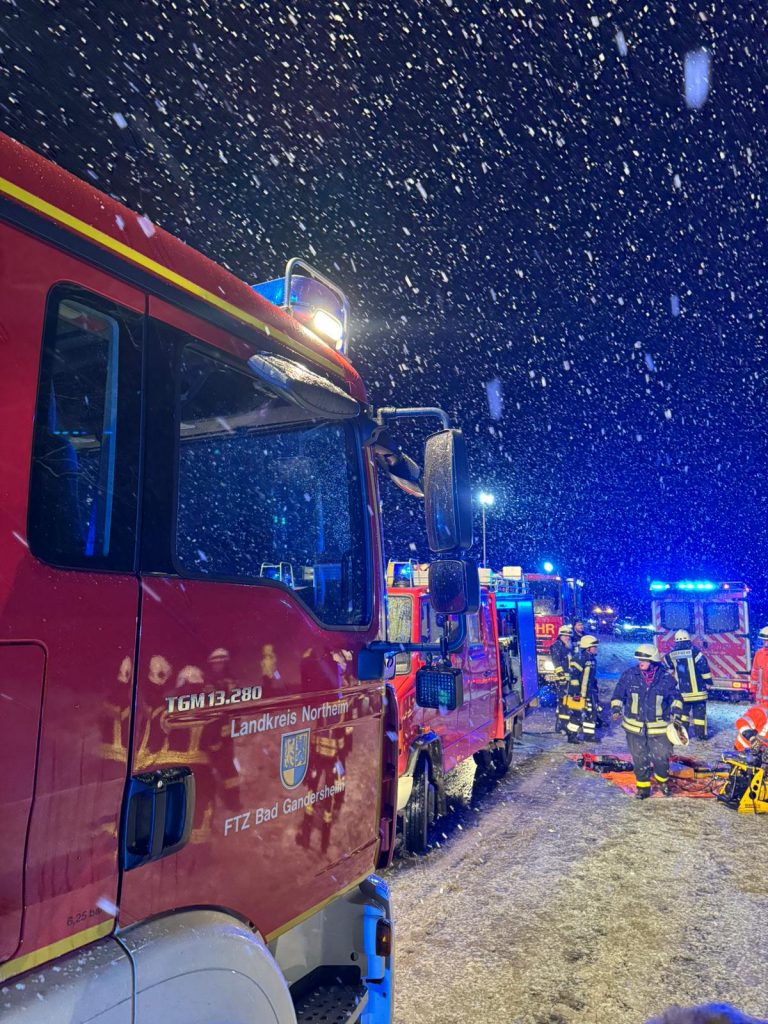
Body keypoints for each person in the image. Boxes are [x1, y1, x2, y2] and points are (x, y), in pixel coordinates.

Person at [611, 643, 683, 798]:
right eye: (639, 659)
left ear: (653, 661)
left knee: (661, 757)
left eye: (644, 660)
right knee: (639, 758)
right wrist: (616, 708)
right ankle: (643, 788)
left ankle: (662, 781)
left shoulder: (666, 679)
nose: (640, 662)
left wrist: (677, 713)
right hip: (634, 728)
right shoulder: (629, 675)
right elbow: (618, 694)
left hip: (659, 728)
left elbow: (676, 698)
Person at [663, 629, 712, 739]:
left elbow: (667, 667)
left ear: (676, 640)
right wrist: (708, 682)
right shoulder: (695, 652)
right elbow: (704, 668)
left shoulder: (671, 654)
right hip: (699, 692)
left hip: (682, 693)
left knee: (683, 715)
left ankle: (683, 735)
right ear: (689, 639)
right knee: (699, 716)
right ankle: (700, 736)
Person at [564, 634, 600, 743]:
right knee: (577, 714)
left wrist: (594, 689)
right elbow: (574, 677)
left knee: (591, 713)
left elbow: (590, 678)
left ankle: (589, 736)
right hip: (579, 693)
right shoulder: (579, 659)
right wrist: (576, 693)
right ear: (587, 647)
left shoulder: (591, 659)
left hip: (589, 692)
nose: (596, 648)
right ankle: (571, 735)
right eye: (594, 646)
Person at [548, 625, 572, 733]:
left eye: (568, 636)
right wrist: (561, 675)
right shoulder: (557, 645)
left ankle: (563, 724)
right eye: (565, 635)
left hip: (568, 679)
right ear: (560, 636)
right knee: (562, 702)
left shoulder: (567, 646)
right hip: (562, 679)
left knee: (565, 703)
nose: (567, 637)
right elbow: (556, 661)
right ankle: (561, 726)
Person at [749, 626, 768, 703]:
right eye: (764, 640)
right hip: (760, 700)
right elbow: (754, 674)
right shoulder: (759, 654)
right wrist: (752, 690)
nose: (765, 643)